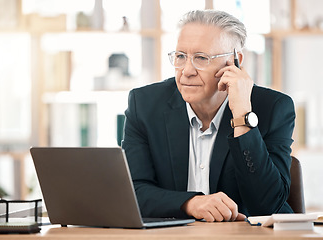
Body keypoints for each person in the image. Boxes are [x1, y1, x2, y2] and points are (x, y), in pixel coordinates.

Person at [121, 9, 295, 222]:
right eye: (181, 56)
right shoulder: (145, 104)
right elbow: (132, 192)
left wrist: (242, 115)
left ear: (234, 61)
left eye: (201, 58)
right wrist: (191, 203)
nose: (186, 70)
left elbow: (269, 205)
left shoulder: (274, 108)